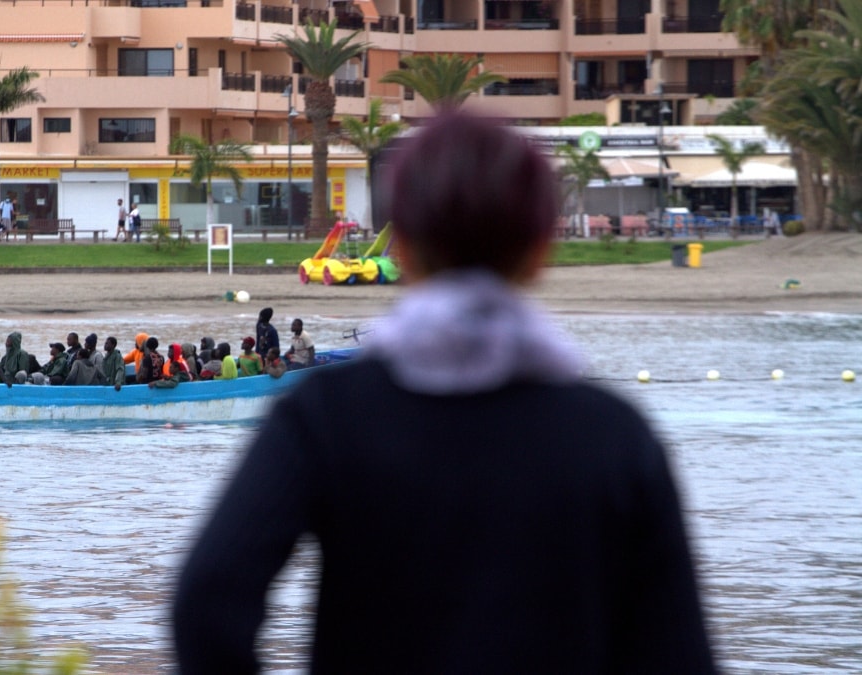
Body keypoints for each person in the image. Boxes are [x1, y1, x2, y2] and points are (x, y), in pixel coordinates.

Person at [172, 110, 717, 674]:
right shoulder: (613, 434)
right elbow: (677, 651)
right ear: (538, 248)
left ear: (402, 245)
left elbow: (208, 601)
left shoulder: (327, 415)